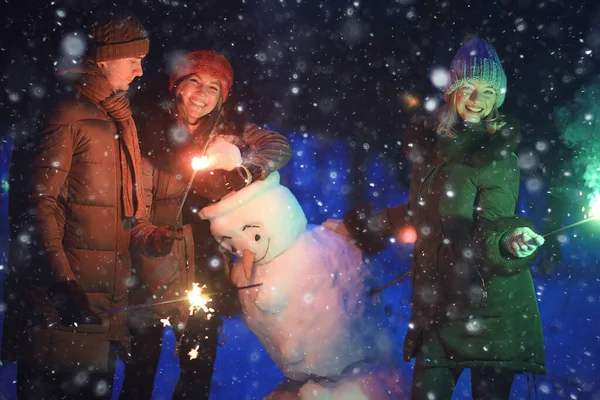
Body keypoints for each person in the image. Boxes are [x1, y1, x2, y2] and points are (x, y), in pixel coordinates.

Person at [324, 38, 546, 400]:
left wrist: (509, 239)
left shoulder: (496, 155)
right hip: (439, 307)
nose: (477, 99)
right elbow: (420, 214)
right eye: (469, 87)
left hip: (488, 307)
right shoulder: (434, 147)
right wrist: (362, 226)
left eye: (489, 90)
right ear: (452, 90)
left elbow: (494, 221)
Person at [1, 9, 180, 399]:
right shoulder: (68, 113)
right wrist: (61, 282)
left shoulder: (117, 119)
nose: (139, 71)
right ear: (104, 59)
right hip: (64, 309)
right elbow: (38, 206)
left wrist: (150, 235)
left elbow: (118, 210)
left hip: (102, 309)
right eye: (133, 60)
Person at [120, 49, 292, 400]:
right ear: (178, 86)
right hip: (153, 263)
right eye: (194, 82)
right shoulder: (147, 129)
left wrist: (242, 174)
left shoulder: (228, 132)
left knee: (198, 369)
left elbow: (277, 145)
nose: (202, 95)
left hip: (204, 267)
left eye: (213, 88)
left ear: (222, 97)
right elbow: (135, 199)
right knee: (140, 370)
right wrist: (149, 235)